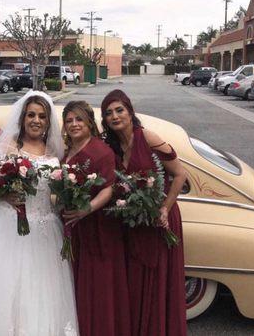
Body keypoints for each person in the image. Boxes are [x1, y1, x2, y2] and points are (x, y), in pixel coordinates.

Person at [0, 91, 78, 336]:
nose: (36, 120)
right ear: (22, 118)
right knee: (3, 291)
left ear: (48, 121)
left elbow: (54, 192)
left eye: (42, 116)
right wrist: (2, 193)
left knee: (40, 292)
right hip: (5, 227)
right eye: (31, 114)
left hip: (44, 230)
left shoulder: (55, 152)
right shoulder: (10, 145)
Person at [101, 89, 188, 336]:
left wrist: (164, 208)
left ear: (130, 112)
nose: (115, 116)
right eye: (109, 113)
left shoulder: (147, 137)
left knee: (157, 281)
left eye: (119, 110)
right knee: (136, 281)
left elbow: (180, 174)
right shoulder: (113, 146)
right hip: (134, 221)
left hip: (160, 218)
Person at [61, 101, 131, 336]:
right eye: (69, 120)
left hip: (97, 225)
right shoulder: (67, 150)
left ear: (89, 122)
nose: (74, 124)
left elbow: (109, 188)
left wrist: (86, 209)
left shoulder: (101, 150)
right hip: (73, 226)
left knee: (96, 284)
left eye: (79, 119)